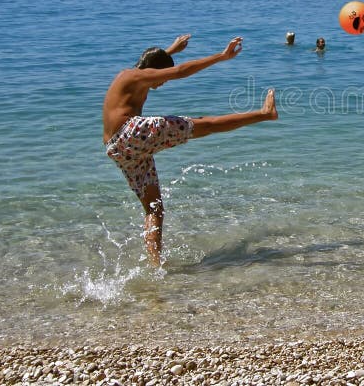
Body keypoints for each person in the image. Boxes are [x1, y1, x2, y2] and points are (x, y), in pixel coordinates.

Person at [103, 34, 278, 266]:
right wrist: (221, 56)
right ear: (154, 69)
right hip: (131, 133)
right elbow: (179, 72)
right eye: (161, 77)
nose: (162, 83)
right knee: (204, 125)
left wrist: (170, 52)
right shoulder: (134, 76)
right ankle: (265, 114)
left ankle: (155, 266)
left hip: (118, 149)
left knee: (154, 208)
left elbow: (150, 68)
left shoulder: (134, 76)